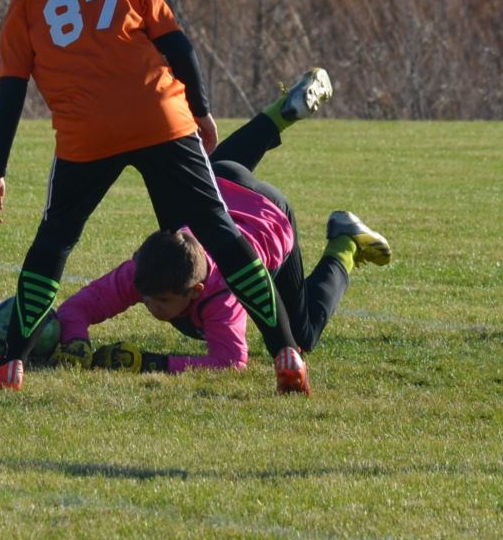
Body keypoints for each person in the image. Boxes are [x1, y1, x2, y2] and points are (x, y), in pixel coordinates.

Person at [0, 0, 304, 394]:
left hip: (87, 134)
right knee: (219, 231)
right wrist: (202, 111)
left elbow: (11, 92)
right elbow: (181, 49)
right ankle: (286, 352)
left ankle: (11, 362)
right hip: (160, 116)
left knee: (54, 242)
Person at [47, 71, 393, 375]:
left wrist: (148, 362)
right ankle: (280, 112)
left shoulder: (222, 296)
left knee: (300, 337)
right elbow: (76, 309)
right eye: (145, 296)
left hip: (269, 213)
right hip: (223, 181)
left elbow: (230, 362)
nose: (149, 305)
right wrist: (76, 341)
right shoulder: (146, 271)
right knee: (208, 179)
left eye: (161, 301)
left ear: (196, 291)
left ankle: (345, 242)